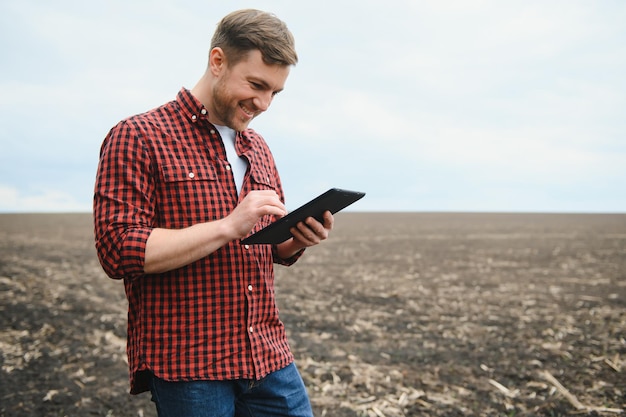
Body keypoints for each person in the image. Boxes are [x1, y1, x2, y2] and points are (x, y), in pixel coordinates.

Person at [93, 9, 333, 417]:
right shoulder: (137, 136)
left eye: (275, 92)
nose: (264, 103)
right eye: (256, 85)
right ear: (218, 61)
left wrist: (296, 239)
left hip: (267, 355)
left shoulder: (257, 147)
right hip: (191, 365)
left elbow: (266, 243)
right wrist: (227, 226)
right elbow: (119, 251)